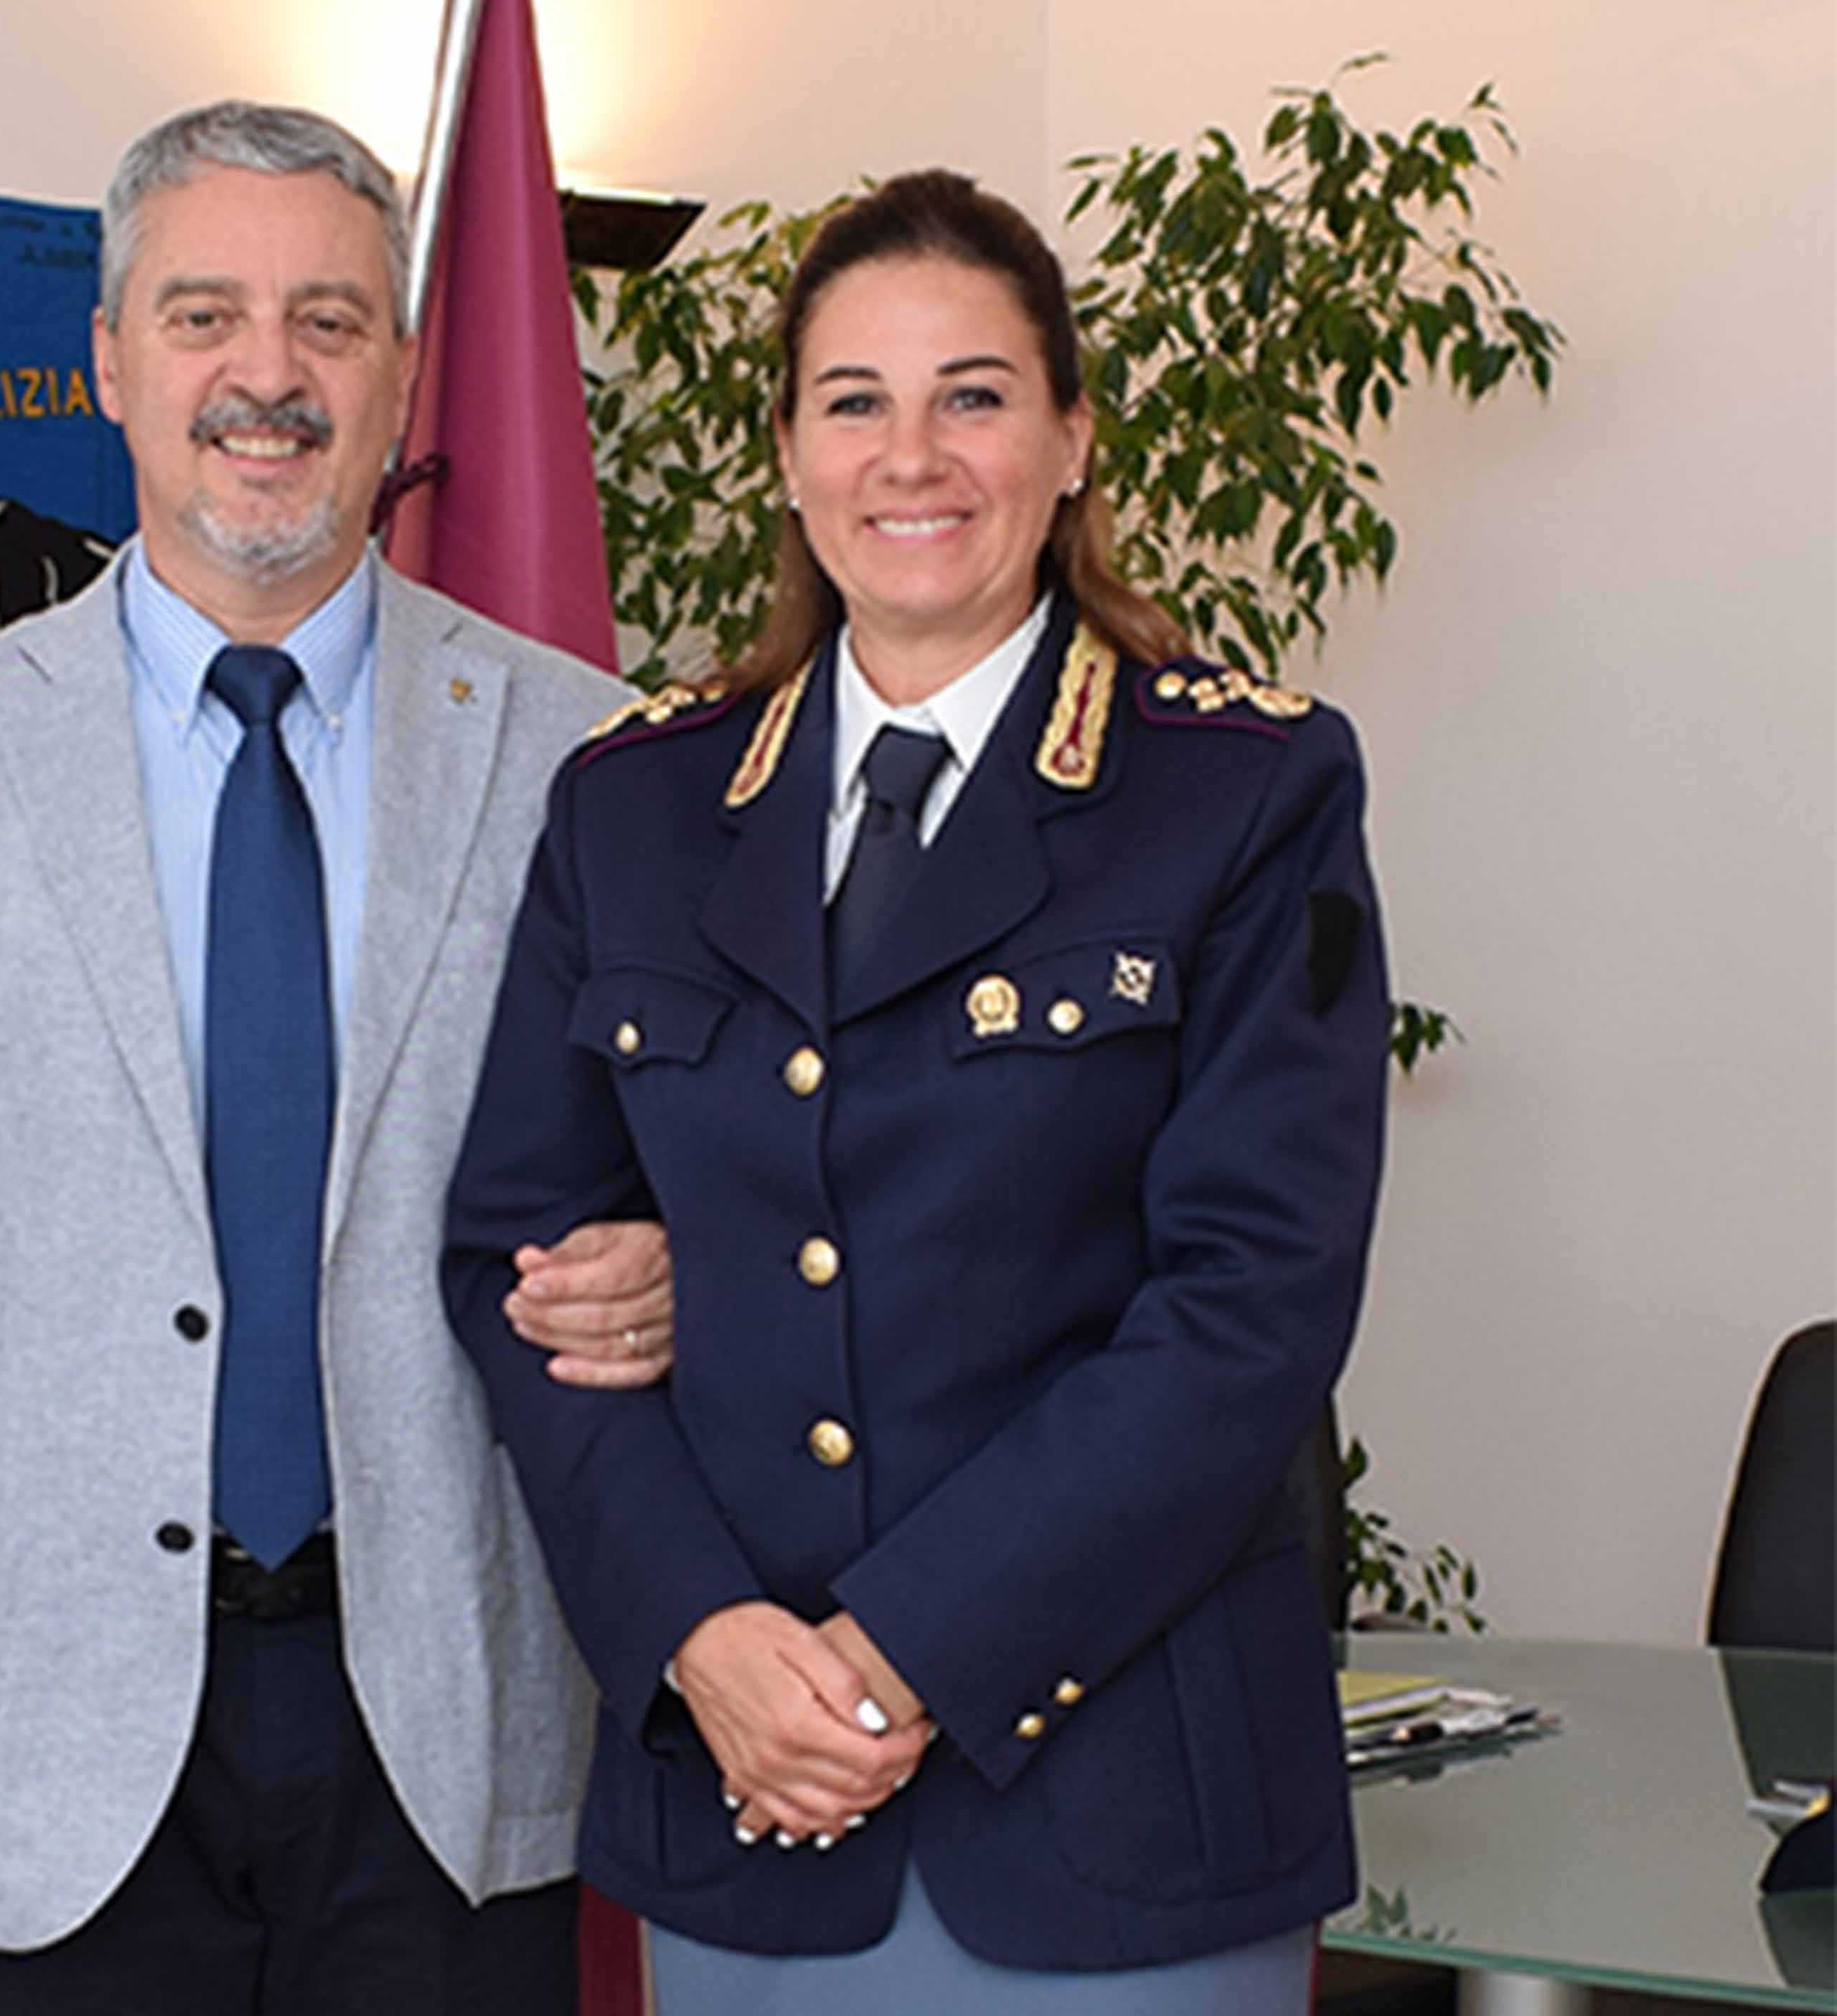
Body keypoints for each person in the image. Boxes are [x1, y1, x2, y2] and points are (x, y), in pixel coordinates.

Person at [0, 101, 671, 2015]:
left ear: (402, 366)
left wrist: (675, 1260)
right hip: (27, 1762)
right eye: (204, 314)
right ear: (109, 360)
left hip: (446, 1741)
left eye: (329, 319)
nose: (267, 374)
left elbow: (715, 1175)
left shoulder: (587, 757)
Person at [442, 167, 1390, 2013]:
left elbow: (1252, 1304)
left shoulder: (1242, 793)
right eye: (854, 402)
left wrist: (902, 1655)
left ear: (1070, 437)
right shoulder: (635, 806)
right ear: (788, 456)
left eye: (973, 395)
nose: (911, 457)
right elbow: (515, 1269)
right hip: (743, 1797)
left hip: (1119, 1818)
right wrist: (701, 1635)